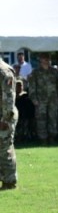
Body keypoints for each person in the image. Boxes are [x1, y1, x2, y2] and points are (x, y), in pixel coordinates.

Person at [26, 54, 58, 145]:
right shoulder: (35, 72)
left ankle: (52, 137)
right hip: (40, 100)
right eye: (44, 59)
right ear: (41, 60)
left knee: (53, 119)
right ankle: (43, 139)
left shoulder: (55, 72)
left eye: (48, 59)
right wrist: (34, 99)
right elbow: (32, 87)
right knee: (41, 120)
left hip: (53, 100)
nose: (46, 60)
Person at [0, 53, 17, 190]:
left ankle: (9, 181)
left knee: (4, 148)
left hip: (4, 116)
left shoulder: (4, 71)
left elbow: (8, 99)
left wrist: (5, 119)